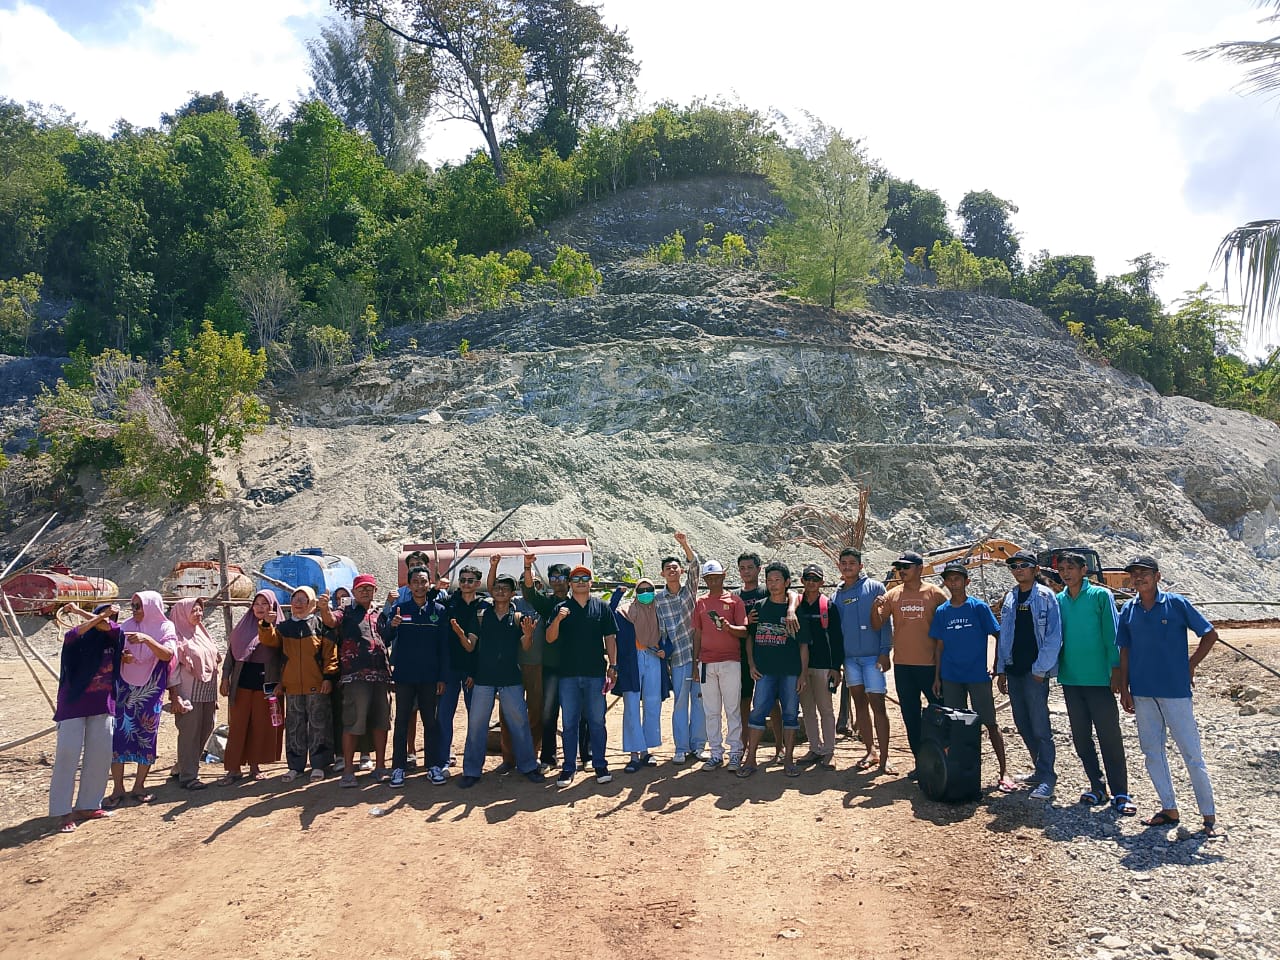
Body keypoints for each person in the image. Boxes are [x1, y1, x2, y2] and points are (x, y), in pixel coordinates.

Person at [1116, 556, 1219, 835]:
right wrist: (1124, 688)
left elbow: (1210, 634)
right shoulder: (1128, 609)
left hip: (1175, 691)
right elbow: (1124, 650)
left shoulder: (1176, 604)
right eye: (1134, 574)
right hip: (1142, 692)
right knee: (1152, 752)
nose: (1139, 578)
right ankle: (1169, 808)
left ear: (1157, 577)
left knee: (1191, 754)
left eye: (1144, 573)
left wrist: (1190, 665)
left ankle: (1208, 817)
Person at [1056, 552, 1131, 813]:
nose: (1066, 573)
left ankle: (1121, 792)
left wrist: (1116, 670)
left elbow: (1112, 633)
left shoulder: (1100, 595)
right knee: (1081, 737)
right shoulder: (1059, 600)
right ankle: (1097, 787)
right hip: (1071, 678)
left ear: (1083, 570)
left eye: (1071, 568)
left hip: (1099, 679)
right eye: (1062, 569)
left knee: (1109, 736)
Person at [928, 563, 1013, 791]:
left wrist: (997, 666)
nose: (953, 583)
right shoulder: (942, 612)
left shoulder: (979, 608)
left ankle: (1004, 771)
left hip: (977, 675)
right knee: (957, 725)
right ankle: (960, 772)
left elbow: (997, 635)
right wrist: (937, 677)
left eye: (957, 579)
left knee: (990, 722)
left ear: (967, 582)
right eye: (949, 579)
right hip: (951, 677)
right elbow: (939, 646)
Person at [456, 574, 545, 787]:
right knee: (476, 724)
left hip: (510, 677)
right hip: (484, 678)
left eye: (505, 588)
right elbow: (470, 645)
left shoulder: (518, 617)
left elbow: (525, 646)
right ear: (491, 591)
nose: (500, 591)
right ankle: (471, 771)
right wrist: (460, 635)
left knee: (520, 723)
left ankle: (528, 766)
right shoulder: (480, 615)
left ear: (513, 593)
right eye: (496, 587)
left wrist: (529, 635)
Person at [872, 551, 948, 775]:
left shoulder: (935, 594)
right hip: (903, 667)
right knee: (911, 716)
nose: (901, 571)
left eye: (906, 567)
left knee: (940, 714)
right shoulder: (893, 594)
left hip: (931, 666)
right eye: (899, 567)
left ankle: (945, 762)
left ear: (920, 568)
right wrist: (874, 609)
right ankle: (920, 763)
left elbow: (948, 626)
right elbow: (877, 624)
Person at [995, 551, 1063, 801]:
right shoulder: (1010, 597)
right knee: (1022, 723)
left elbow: (1054, 635)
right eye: (1014, 566)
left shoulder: (1046, 596)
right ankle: (1039, 769)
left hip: (1035, 672)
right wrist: (1002, 669)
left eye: (1024, 565)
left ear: (1035, 569)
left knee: (1040, 725)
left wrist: (1041, 669)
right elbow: (1004, 635)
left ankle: (1048, 777)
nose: (1018, 569)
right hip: (1014, 670)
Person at [49, 602, 123, 832]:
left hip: (103, 704)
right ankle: (63, 811)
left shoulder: (113, 637)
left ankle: (88, 805)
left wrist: (91, 614)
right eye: (103, 617)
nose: (108, 621)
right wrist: (94, 616)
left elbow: (109, 627)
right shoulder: (76, 636)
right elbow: (80, 630)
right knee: (67, 755)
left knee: (99, 756)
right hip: (73, 705)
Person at [545, 564, 618, 787]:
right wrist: (558, 620)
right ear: (570, 583)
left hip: (595, 674)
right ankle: (568, 768)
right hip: (567, 676)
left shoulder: (601, 607)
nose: (580, 582)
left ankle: (600, 764)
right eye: (576, 579)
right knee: (569, 723)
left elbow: (610, 637)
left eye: (585, 578)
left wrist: (613, 666)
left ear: (591, 583)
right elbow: (549, 638)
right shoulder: (561, 607)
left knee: (597, 721)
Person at [257, 587, 338, 783]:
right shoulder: (284, 628)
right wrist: (266, 624)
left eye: (303, 599)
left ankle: (319, 765)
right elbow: (269, 641)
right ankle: (295, 766)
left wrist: (329, 677)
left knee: (319, 725)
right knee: (294, 727)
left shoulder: (320, 625)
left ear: (312, 603)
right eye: (295, 599)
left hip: (317, 685)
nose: (298, 603)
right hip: (291, 687)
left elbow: (330, 654)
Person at [318, 574, 392, 786]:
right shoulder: (346, 611)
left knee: (381, 722)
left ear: (375, 591)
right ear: (353, 591)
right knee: (353, 721)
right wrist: (323, 608)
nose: (365, 591)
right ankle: (348, 771)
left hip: (380, 676)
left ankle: (380, 767)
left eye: (369, 588)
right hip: (355, 677)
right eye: (361, 588)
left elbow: (386, 638)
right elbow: (330, 621)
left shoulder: (379, 614)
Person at [380, 565, 450, 787]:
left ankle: (433, 766)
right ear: (409, 586)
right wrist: (392, 626)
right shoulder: (400, 609)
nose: (420, 586)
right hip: (405, 676)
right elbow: (385, 638)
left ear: (429, 584)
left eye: (423, 581)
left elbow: (444, 647)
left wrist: (442, 677)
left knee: (430, 721)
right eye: (415, 582)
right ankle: (398, 768)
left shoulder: (439, 610)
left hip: (430, 676)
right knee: (402, 721)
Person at [106, 591, 177, 806]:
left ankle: (139, 786)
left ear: (151, 606)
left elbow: (167, 654)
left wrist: (147, 640)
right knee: (118, 736)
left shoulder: (165, 627)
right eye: (133, 606)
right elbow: (113, 651)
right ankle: (118, 788)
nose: (135, 610)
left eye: (139, 606)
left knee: (146, 735)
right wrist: (122, 657)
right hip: (124, 689)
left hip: (150, 689)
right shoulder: (126, 625)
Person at [739, 562, 809, 779]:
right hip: (764, 672)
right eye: (769, 580)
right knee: (758, 712)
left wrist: (802, 674)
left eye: (777, 580)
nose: (773, 584)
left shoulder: (796, 611)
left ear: (787, 582)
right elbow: (750, 637)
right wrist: (751, 664)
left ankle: (788, 759)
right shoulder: (759, 607)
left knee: (790, 714)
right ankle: (751, 759)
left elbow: (803, 645)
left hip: (790, 672)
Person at [833, 548, 894, 774]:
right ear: (839, 566)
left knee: (878, 704)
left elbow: (885, 622)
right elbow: (836, 631)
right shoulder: (837, 595)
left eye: (852, 563)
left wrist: (885, 651)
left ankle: (885, 757)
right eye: (844, 562)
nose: (847, 566)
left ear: (860, 566)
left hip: (873, 658)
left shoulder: (876, 588)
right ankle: (871, 751)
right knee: (859, 704)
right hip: (850, 660)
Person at [219, 589, 285, 785]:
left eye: (265, 604)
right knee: (238, 726)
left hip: (267, 684)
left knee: (260, 725)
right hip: (241, 683)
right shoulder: (242, 628)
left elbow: (285, 658)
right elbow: (231, 654)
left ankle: (255, 767)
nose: (260, 608)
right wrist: (225, 677)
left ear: (273, 607)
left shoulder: (280, 628)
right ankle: (233, 769)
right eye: (257, 604)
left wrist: (281, 682)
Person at [692, 561, 747, 771]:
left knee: (732, 709)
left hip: (730, 661)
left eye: (716, 577)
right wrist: (695, 663)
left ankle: (735, 753)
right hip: (706, 663)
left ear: (724, 576)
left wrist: (729, 627)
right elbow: (697, 634)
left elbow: (744, 631)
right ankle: (715, 753)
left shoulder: (734, 601)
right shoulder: (700, 602)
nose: (713, 581)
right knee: (711, 710)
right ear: (705, 580)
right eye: (709, 578)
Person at [656, 532, 703, 763]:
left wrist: (684, 544)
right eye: (668, 568)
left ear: (680, 571)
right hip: (677, 658)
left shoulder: (689, 591)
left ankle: (699, 745)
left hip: (698, 655)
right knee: (680, 704)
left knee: (700, 702)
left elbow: (696, 566)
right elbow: (660, 631)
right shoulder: (658, 600)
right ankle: (681, 747)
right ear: (662, 574)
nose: (672, 570)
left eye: (675, 567)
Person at [612, 578, 669, 773]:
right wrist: (617, 595)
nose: (646, 594)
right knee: (631, 706)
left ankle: (646, 750)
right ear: (636, 593)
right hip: (631, 662)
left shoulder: (659, 611)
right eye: (641, 590)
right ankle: (634, 754)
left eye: (649, 590)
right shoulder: (625, 612)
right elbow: (608, 617)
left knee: (653, 703)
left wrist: (666, 651)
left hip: (654, 657)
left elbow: (668, 635)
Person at [522, 562, 575, 771]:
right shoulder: (547, 605)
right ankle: (548, 757)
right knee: (548, 713)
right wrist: (527, 568)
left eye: (561, 578)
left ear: (569, 581)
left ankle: (584, 755)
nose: (557, 582)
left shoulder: (580, 602)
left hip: (576, 668)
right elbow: (530, 593)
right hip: (552, 667)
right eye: (553, 578)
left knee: (578, 714)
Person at [166, 598, 222, 791]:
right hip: (188, 693)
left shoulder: (202, 633)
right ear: (182, 613)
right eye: (194, 610)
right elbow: (172, 670)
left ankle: (181, 767)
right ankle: (189, 776)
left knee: (206, 729)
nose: (198, 614)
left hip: (207, 692)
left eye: (200, 610)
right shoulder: (176, 637)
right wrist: (175, 696)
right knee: (190, 733)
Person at [438, 565, 487, 774]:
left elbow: (484, 644)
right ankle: (442, 760)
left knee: (475, 718)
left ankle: (472, 763)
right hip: (449, 668)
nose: (466, 584)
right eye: (463, 579)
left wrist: (475, 672)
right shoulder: (448, 603)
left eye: (470, 580)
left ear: (478, 583)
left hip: (472, 671)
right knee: (444, 715)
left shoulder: (484, 606)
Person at [737, 552, 783, 762]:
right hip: (742, 654)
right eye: (742, 568)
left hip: (768, 651)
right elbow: (735, 624)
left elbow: (791, 597)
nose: (746, 571)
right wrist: (745, 621)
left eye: (750, 567)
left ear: (758, 569)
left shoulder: (768, 590)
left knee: (772, 701)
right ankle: (745, 747)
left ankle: (780, 746)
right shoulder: (736, 596)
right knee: (744, 701)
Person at [797, 564, 843, 770]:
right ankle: (814, 748)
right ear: (802, 581)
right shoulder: (797, 605)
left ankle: (829, 750)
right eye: (807, 578)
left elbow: (837, 639)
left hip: (824, 666)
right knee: (808, 709)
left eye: (815, 579)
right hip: (802, 668)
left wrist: (835, 667)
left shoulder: (828, 606)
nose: (811, 582)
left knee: (825, 709)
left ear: (822, 582)